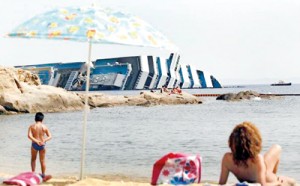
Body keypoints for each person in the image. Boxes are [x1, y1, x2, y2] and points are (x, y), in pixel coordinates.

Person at [219, 121, 295, 186]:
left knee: (277, 148)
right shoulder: (257, 159)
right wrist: (277, 183)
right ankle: (274, 175)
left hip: (267, 176)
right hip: (268, 179)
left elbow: (221, 184)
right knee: (277, 148)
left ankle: (273, 174)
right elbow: (262, 185)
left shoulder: (227, 158)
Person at [28, 112, 52, 180]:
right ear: (42, 119)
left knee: (33, 160)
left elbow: (29, 136)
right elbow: (50, 136)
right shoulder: (44, 127)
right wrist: (44, 140)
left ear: (35, 118)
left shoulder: (32, 126)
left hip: (34, 144)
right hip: (42, 145)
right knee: (42, 161)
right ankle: (43, 175)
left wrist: (36, 141)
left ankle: (33, 174)